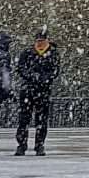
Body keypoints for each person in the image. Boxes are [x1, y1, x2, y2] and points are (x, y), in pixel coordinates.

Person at [14, 29, 60, 157]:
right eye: (38, 41)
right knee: (24, 119)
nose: (40, 43)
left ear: (47, 41)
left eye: (42, 41)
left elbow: (55, 70)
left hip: (43, 91)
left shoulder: (53, 53)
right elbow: (20, 68)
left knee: (42, 120)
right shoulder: (27, 52)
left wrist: (45, 79)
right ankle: (21, 145)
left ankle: (39, 144)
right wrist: (30, 76)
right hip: (28, 90)